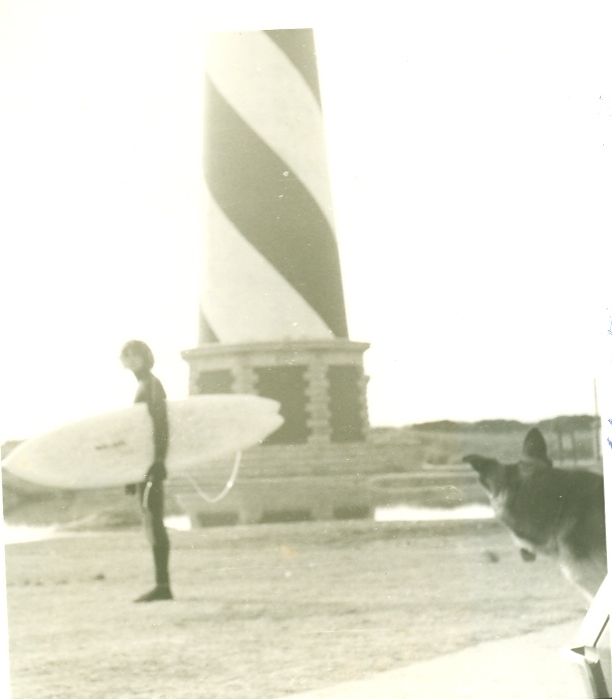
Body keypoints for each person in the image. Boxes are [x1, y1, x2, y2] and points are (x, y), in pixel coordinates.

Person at [120, 340, 173, 603]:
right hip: (144, 465)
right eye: (126, 356)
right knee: (149, 520)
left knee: (154, 520)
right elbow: (140, 432)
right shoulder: (142, 386)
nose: (129, 360)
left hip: (152, 464)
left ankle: (163, 586)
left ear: (145, 357)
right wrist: (132, 473)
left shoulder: (152, 384)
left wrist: (159, 461)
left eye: (134, 355)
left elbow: (161, 424)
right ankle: (160, 585)